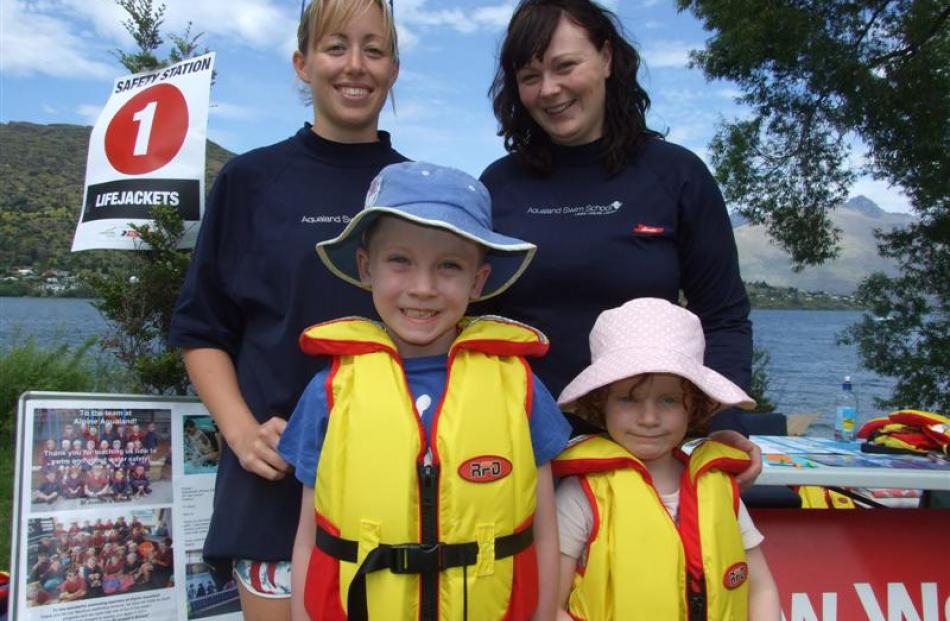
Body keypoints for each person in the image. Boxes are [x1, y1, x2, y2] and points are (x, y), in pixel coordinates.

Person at [168, 0, 405, 617]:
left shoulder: (416, 193)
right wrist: (242, 434)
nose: (356, 66)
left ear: (394, 68)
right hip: (274, 488)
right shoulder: (250, 181)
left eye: (374, 50)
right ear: (303, 64)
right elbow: (201, 328)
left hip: (401, 484)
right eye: (336, 47)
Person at [479, 0, 762, 479]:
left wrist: (724, 425)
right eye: (529, 77)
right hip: (519, 456)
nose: (550, 90)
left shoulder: (677, 175)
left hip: (646, 457)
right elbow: (467, 322)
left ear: (607, 59)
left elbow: (723, 316)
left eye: (565, 66)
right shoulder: (497, 186)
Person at [279, 161, 571, 620]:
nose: (423, 288)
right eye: (400, 260)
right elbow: (307, 535)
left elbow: (546, 531)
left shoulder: (520, 386)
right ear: (365, 267)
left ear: (478, 281)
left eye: (449, 266)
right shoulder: (330, 390)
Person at [552, 299, 780, 620]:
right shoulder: (580, 496)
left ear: (695, 407)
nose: (649, 418)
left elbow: (761, 590)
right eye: (629, 399)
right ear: (600, 405)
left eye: (669, 400)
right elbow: (549, 605)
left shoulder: (718, 489)